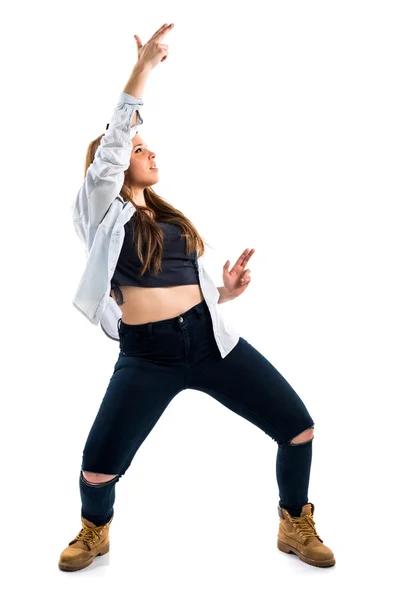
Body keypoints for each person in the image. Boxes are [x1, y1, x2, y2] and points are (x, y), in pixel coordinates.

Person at [59, 22, 335, 572]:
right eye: (139, 147)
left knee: (298, 427)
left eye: (144, 144)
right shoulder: (102, 209)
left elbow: (188, 286)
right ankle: (95, 531)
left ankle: (293, 522)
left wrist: (225, 293)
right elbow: (113, 144)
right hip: (148, 354)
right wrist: (143, 71)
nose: (148, 150)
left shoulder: (168, 218)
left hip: (211, 342)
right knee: (98, 468)